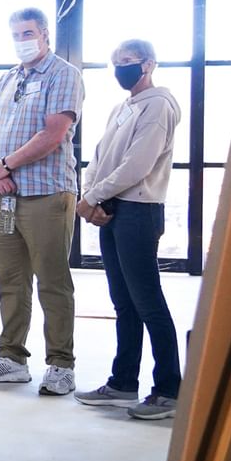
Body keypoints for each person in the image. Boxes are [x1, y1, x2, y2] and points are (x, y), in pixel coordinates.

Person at [0, 7, 84, 396]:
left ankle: (61, 364)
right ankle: (12, 358)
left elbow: (53, 134)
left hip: (47, 193)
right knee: (10, 280)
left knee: (52, 281)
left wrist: (5, 165)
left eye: (29, 33)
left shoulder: (63, 74)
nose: (22, 41)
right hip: (4, 198)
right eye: (16, 35)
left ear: (45, 34)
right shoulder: (6, 79)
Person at [75, 39, 183, 421]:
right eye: (116, 62)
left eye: (129, 61)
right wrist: (90, 195)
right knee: (124, 302)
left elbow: (138, 165)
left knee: (148, 301)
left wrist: (94, 197)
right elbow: (100, 157)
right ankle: (123, 382)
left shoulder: (158, 105)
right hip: (113, 208)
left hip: (138, 210)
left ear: (148, 64)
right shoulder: (123, 107)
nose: (121, 68)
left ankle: (169, 390)